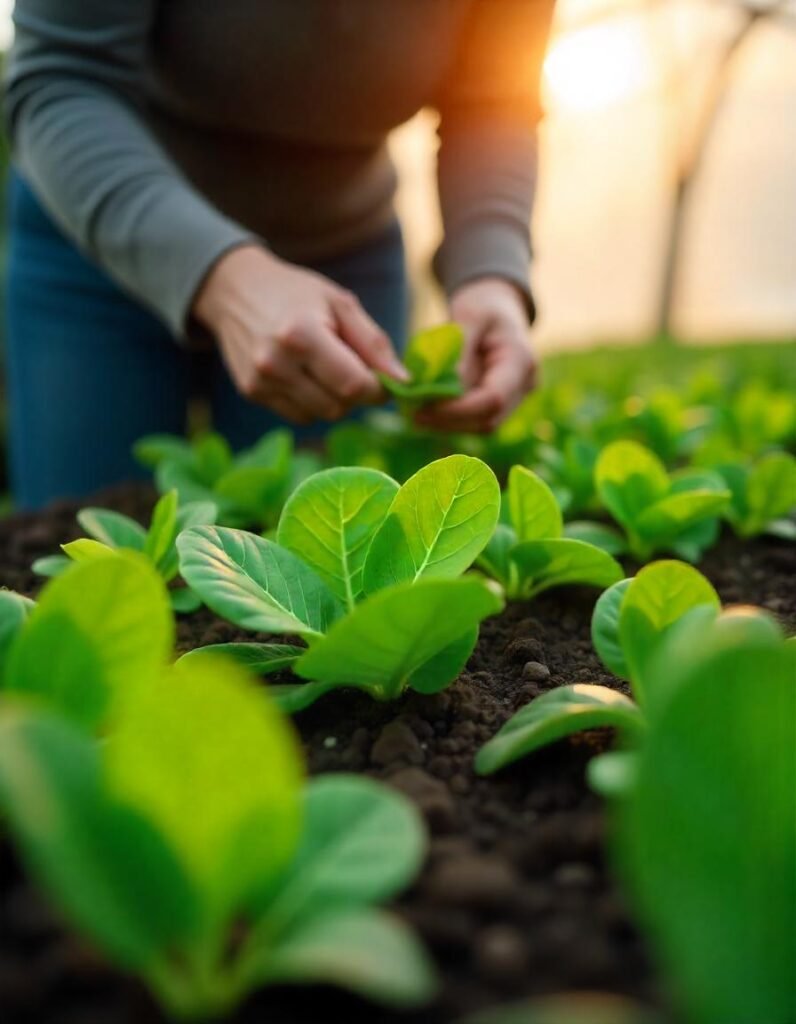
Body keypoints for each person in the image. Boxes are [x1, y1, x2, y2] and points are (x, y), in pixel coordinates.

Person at [4, 0, 555, 509]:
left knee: (328, 568)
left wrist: (491, 274)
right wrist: (224, 277)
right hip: (98, 240)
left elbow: (496, 98)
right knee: (86, 550)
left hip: (342, 255)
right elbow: (61, 77)